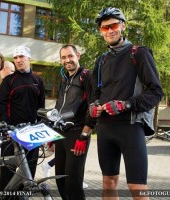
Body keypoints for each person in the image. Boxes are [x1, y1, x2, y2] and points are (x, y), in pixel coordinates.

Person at [89, 7, 164, 199]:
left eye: (113, 25)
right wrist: (94, 105)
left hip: (130, 128)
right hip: (105, 128)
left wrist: (126, 104)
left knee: (136, 187)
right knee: (108, 184)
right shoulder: (101, 60)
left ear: (122, 26)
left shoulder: (138, 53)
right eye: (105, 28)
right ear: (101, 31)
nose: (110, 30)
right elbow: (96, 93)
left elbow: (156, 92)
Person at [0, 46, 45, 193]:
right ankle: (5, 196)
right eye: (16, 57)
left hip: (31, 132)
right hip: (12, 133)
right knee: (8, 169)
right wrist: (5, 127)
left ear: (29, 58)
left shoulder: (38, 80)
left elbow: (41, 108)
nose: (18, 60)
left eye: (21, 57)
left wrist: (41, 128)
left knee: (30, 169)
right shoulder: (9, 80)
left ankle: (23, 196)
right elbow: (2, 105)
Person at [54, 44, 95, 200]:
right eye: (63, 57)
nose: (67, 60)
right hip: (61, 133)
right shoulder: (65, 78)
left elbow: (93, 108)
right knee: (60, 180)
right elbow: (59, 106)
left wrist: (84, 136)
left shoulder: (87, 76)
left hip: (77, 134)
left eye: (70, 56)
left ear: (78, 55)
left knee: (73, 182)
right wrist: (52, 132)